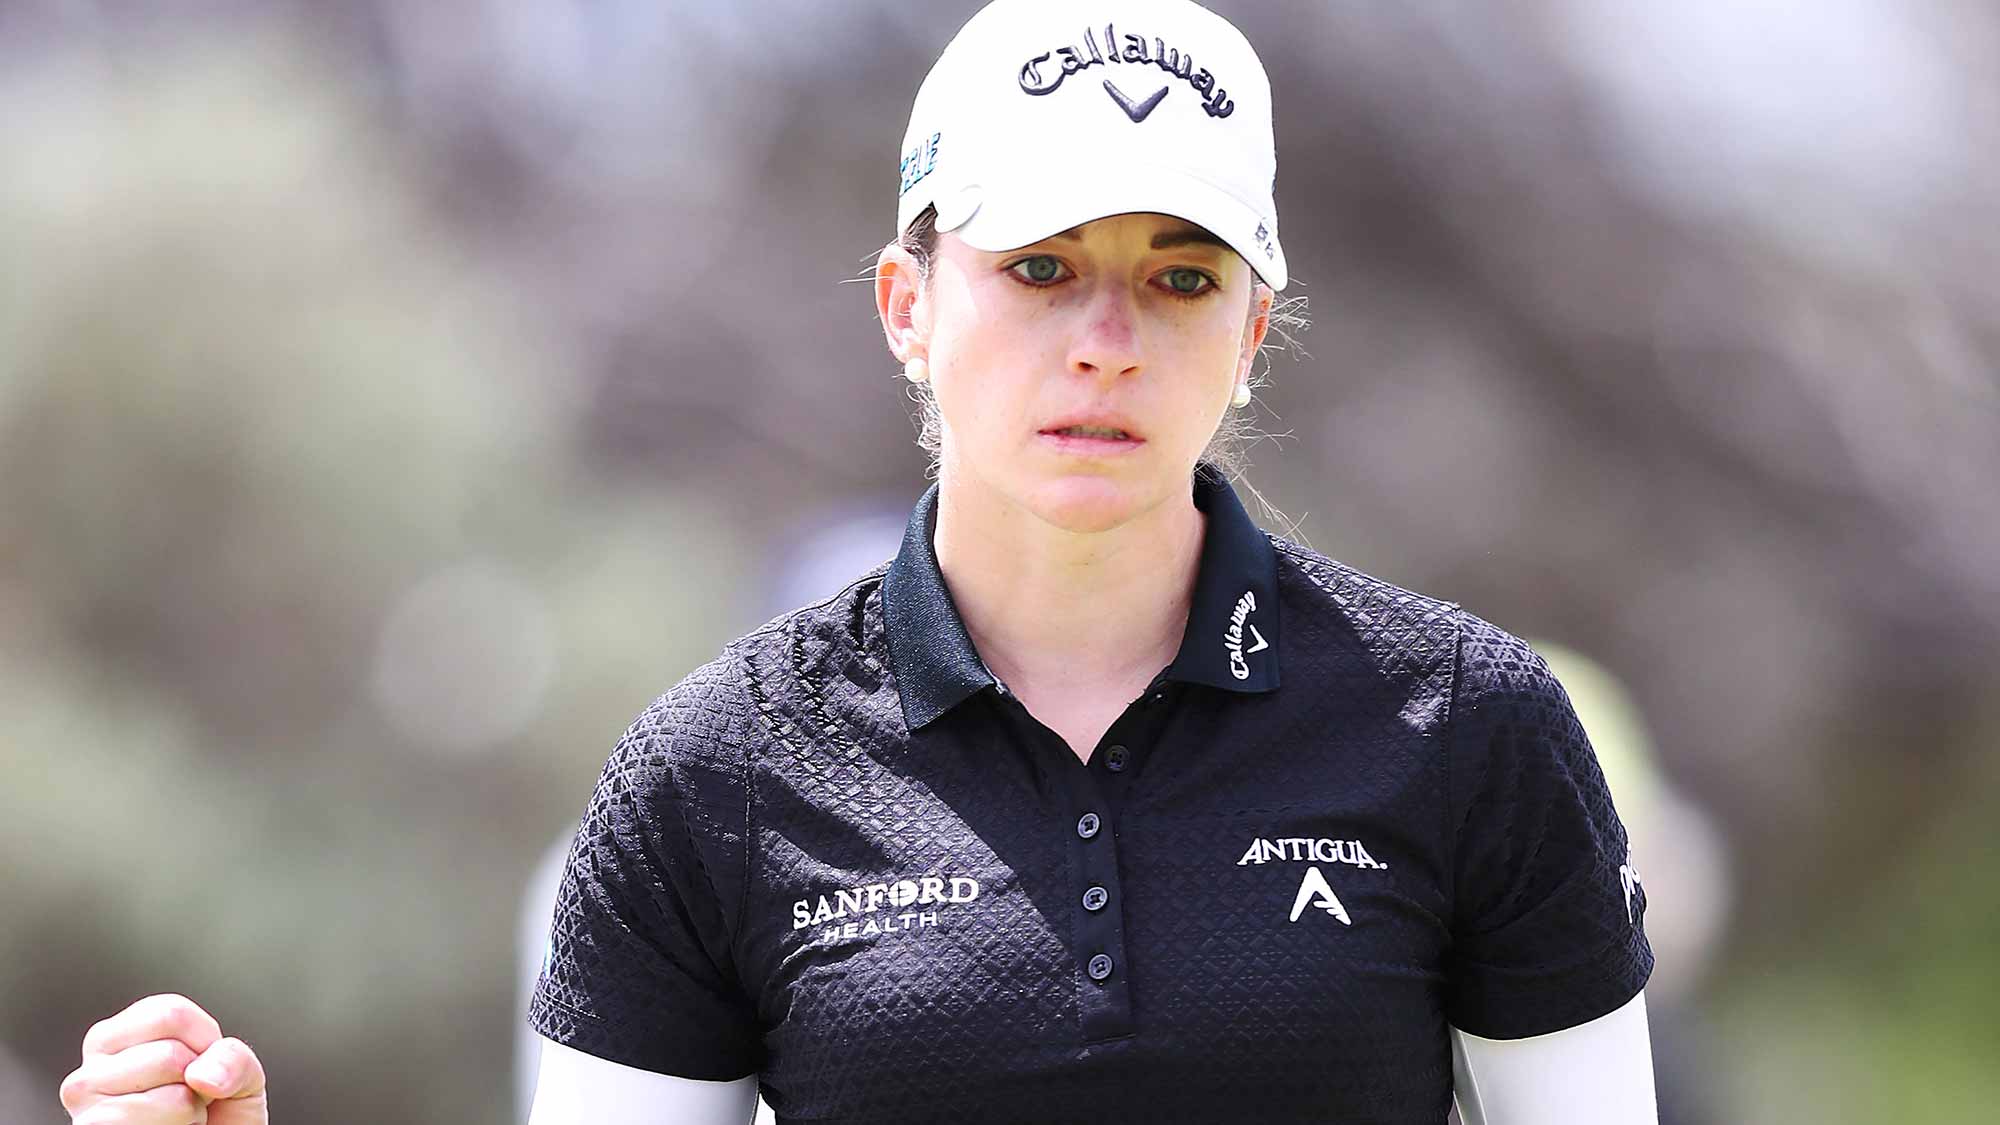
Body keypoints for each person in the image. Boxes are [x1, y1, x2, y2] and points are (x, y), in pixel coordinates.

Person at [61, 1, 1660, 1122]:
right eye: (1038, 268)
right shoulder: (712, 774)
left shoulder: (1469, 726)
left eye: (1178, 280)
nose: (1105, 342)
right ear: (908, 303)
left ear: (1249, 332)